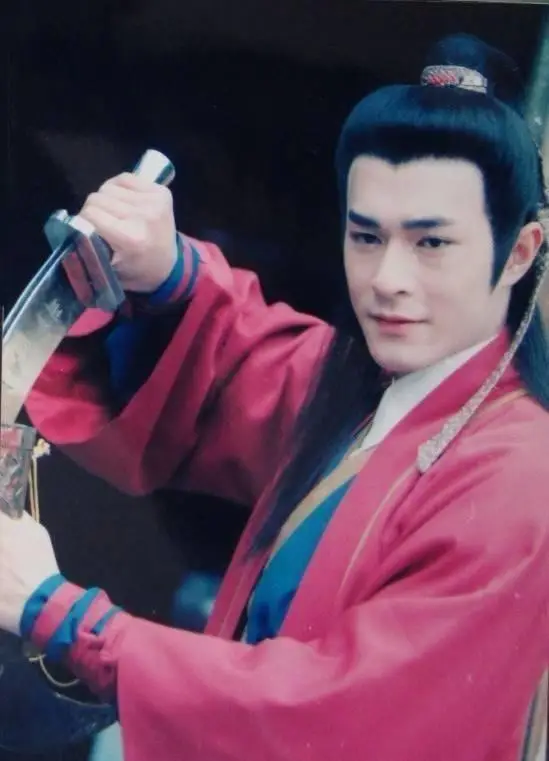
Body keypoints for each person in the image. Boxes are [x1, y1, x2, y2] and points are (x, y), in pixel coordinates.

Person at [1, 32, 549, 761]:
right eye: (366, 237)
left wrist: (63, 615)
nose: (388, 279)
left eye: (431, 244)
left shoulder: (521, 476)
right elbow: (244, 363)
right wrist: (164, 271)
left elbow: (338, 719)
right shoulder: (361, 388)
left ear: (518, 252)